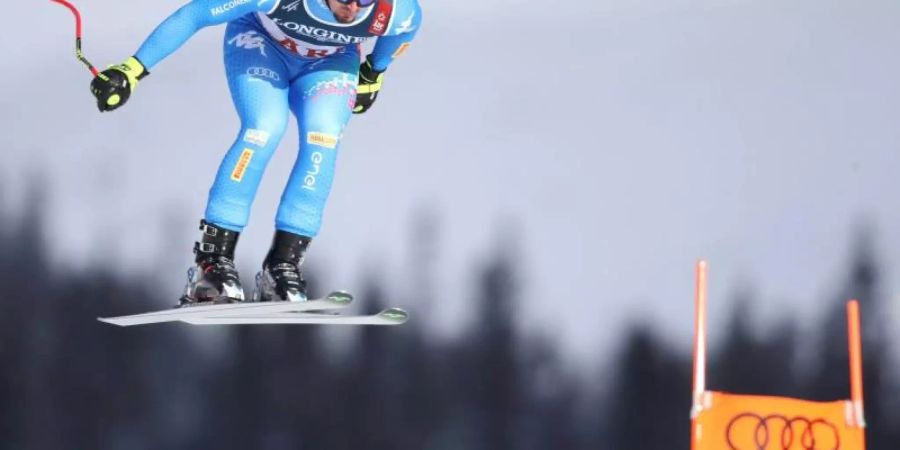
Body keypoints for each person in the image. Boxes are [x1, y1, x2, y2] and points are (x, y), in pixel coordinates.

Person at [89, 0, 422, 305]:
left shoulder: (395, 10)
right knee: (264, 129)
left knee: (324, 138)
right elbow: (195, 14)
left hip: (331, 60)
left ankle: (283, 267)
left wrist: (374, 71)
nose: (352, 7)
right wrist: (133, 69)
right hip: (262, 44)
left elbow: (407, 28)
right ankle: (213, 263)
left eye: (363, 0)